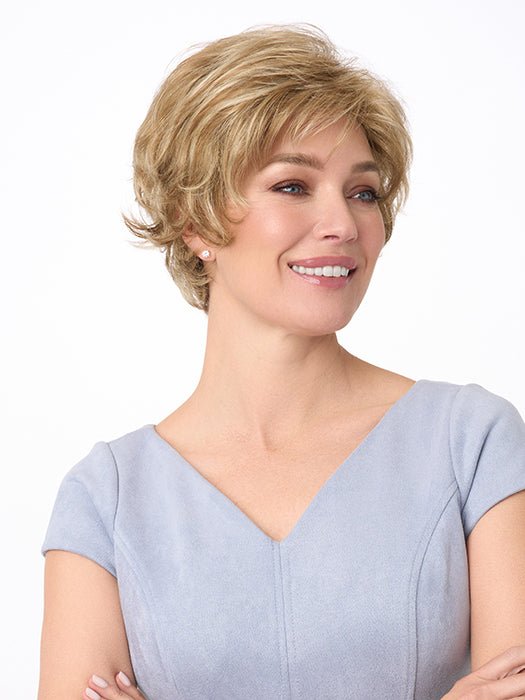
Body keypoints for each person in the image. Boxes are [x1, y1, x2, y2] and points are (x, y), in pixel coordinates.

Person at [38, 24, 525, 700]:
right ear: (194, 219)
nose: (343, 224)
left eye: (362, 192)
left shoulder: (471, 444)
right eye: (293, 186)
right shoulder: (107, 500)